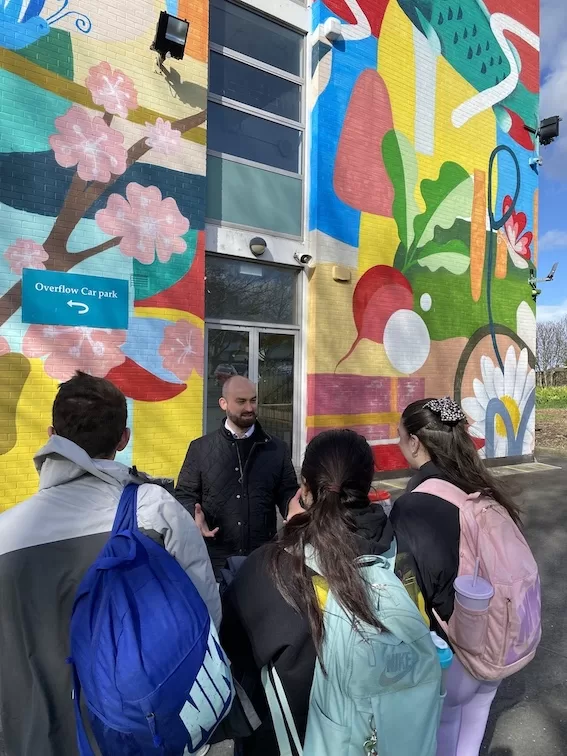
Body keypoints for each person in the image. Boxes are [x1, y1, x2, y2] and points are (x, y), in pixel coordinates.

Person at [0, 372, 220, 756]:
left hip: (29, 735)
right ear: (123, 439)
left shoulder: (6, 534)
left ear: (52, 434)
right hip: (135, 734)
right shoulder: (154, 510)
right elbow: (206, 619)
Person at [220, 429, 432, 756]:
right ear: (367, 484)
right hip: (390, 732)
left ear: (305, 487)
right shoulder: (402, 547)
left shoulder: (272, 568)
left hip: (292, 740)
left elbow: (232, 654)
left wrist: (287, 536)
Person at [392, 397, 524, 756]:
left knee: (444, 726)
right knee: (476, 717)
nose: (399, 443)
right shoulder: (483, 488)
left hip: (455, 644)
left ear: (416, 442)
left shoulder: (416, 505)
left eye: (400, 436)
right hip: (498, 633)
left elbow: (419, 587)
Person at [175, 375, 299, 577]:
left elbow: (288, 492)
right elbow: (184, 494)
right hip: (215, 562)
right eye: (241, 401)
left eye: (253, 400)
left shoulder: (277, 449)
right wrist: (192, 514)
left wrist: (293, 509)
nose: (250, 408)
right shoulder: (200, 448)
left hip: (263, 560)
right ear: (223, 403)